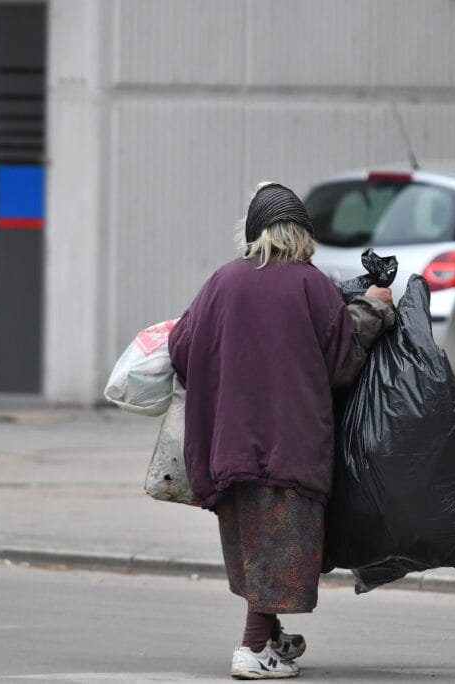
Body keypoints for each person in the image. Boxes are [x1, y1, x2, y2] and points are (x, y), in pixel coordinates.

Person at [168, 182, 395, 679]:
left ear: (254, 233)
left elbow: (181, 351)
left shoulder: (221, 282)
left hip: (225, 446)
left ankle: (271, 638)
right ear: (303, 235)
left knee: (255, 545)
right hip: (288, 446)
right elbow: (342, 362)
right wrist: (375, 308)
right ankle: (252, 650)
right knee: (276, 548)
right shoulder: (309, 285)